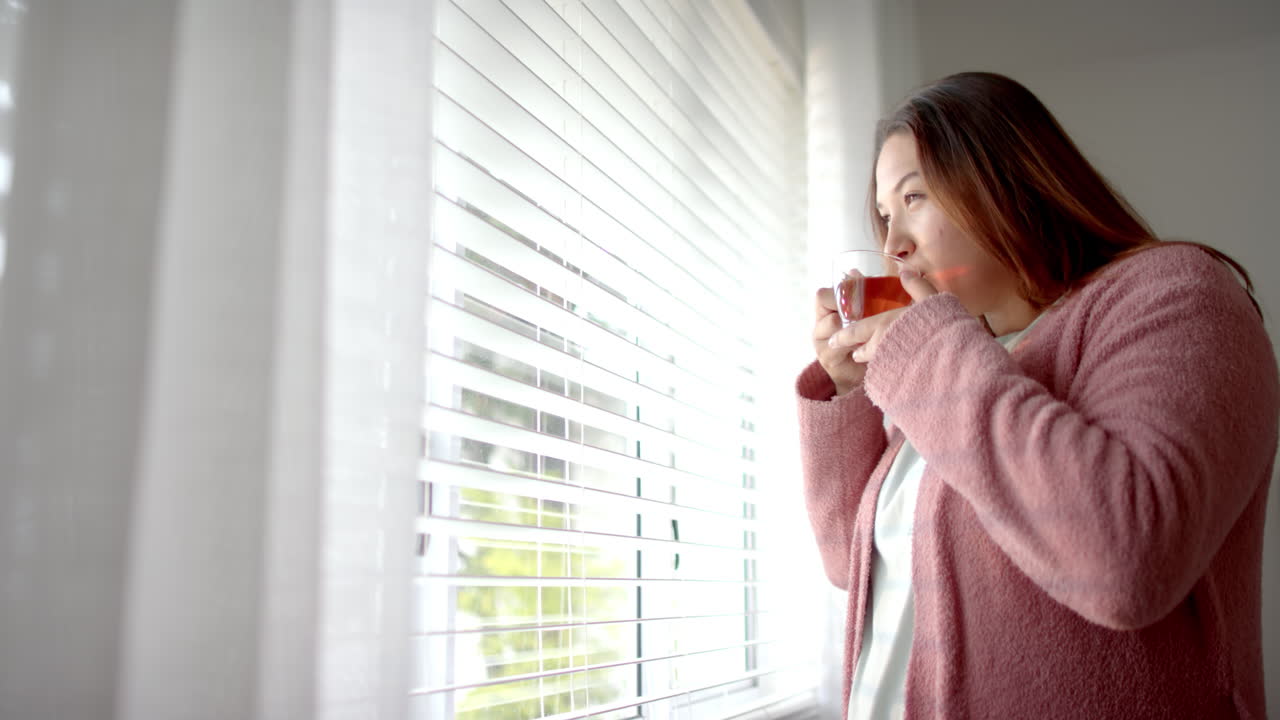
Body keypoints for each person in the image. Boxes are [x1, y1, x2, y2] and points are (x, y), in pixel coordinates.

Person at [797, 71, 1278, 719]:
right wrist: (851, 391)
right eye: (883, 216)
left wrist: (926, 353)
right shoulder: (964, 363)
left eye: (915, 198)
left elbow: (1125, 566)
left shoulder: (1177, 294)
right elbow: (853, 566)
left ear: (1009, 181)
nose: (892, 245)